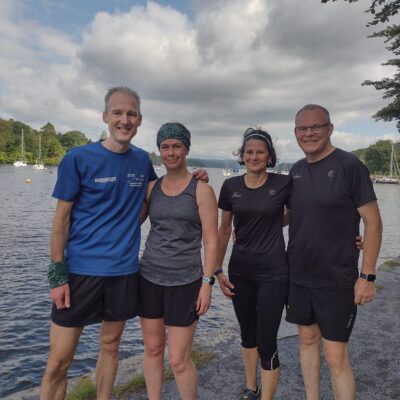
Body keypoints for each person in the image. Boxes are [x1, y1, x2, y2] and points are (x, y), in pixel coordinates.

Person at [40, 88, 207, 400]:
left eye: (131, 114)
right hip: (79, 272)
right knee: (59, 361)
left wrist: (196, 177)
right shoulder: (78, 158)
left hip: (124, 272)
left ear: (139, 120)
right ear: (105, 116)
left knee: (110, 346)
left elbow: (166, 190)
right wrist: (57, 274)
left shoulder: (141, 161)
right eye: (117, 113)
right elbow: (61, 220)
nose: (124, 120)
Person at [286, 104, 383, 400]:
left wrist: (367, 276)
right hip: (299, 274)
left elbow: (373, 223)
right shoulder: (296, 170)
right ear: (295, 133)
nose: (309, 133)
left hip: (337, 277)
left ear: (330, 129)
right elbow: (289, 214)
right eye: (302, 128)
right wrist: (249, 221)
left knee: (335, 354)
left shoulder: (349, 166)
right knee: (307, 339)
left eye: (315, 127)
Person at [138, 122, 218, 400]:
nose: (170, 152)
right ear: (159, 150)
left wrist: (207, 283)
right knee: (152, 349)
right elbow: (131, 222)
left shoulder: (202, 190)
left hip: (186, 282)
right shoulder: (151, 188)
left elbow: (211, 240)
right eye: (165, 147)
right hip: (149, 278)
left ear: (186, 149)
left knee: (179, 359)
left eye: (176, 146)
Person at [216, 128, 291, 400]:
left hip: (274, 273)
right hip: (240, 271)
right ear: (242, 155)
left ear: (269, 156)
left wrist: (349, 235)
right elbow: (224, 230)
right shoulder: (230, 187)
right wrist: (216, 270)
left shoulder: (284, 183)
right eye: (249, 152)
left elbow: (304, 213)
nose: (254, 156)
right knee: (248, 334)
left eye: (260, 152)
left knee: (267, 340)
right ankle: (251, 388)